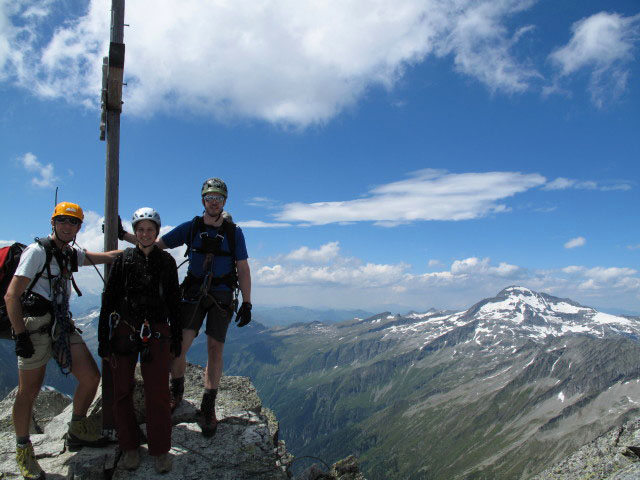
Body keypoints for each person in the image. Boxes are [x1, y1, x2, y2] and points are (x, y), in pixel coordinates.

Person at [120, 177, 252, 437]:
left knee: (215, 349)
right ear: (203, 200)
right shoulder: (190, 228)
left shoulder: (234, 232)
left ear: (224, 202)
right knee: (179, 345)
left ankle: (207, 406)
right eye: (210, 198)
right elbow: (152, 246)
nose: (214, 202)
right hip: (193, 293)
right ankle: (176, 393)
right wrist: (123, 235)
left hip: (222, 296)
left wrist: (247, 302)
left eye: (218, 198)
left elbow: (243, 268)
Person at [4, 202, 121, 480]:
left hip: (60, 325)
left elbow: (104, 257)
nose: (67, 226)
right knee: (28, 392)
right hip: (34, 327)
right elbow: (11, 295)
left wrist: (138, 247)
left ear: (79, 227)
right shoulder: (37, 252)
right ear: (53, 222)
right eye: (63, 221)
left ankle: (77, 429)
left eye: (73, 222)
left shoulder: (70, 254)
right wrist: (20, 335)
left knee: (91, 377)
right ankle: (23, 449)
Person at [98, 208, 181, 473]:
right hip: (125, 329)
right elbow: (108, 300)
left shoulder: (166, 262)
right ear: (135, 233)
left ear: (157, 232)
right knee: (122, 390)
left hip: (156, 332)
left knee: (157, 393)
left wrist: (176, 338)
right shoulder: (123, 261)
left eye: (150, 230)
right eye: (141, 230)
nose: (145, 234)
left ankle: (160, 451)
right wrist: (104, 339)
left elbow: (174, 303)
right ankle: (130, 447)